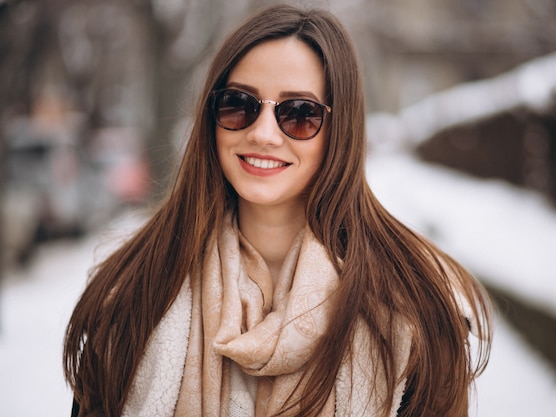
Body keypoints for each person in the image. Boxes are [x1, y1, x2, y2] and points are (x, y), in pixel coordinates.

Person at [64, 4, 492, 417]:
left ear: (339, 130)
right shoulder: (133, 291)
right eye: (239, 104)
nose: (263, 134)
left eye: (300, 113)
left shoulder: (413, 306)